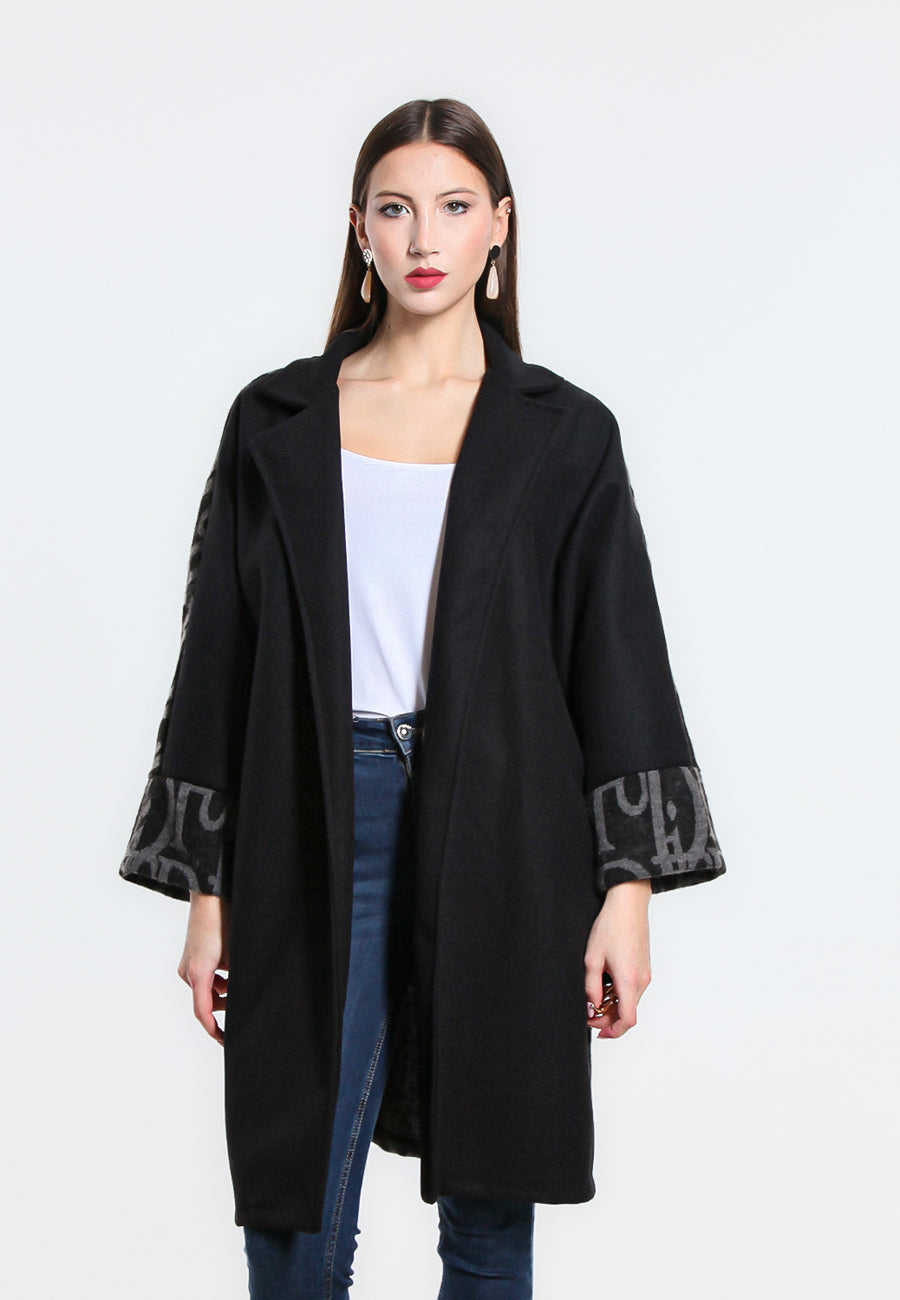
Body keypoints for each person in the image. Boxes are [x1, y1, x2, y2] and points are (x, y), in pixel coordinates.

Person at [119, 97, 726, 1299]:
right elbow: (217, 659)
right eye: (395, 209)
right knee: (295, 1216)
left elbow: (614, 655)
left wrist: (628, 890)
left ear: (500, 223)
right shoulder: (278, 422)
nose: (424, 236)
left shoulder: (565, 435)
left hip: (508, 818)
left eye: (453, 206)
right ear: (359, 229)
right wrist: (206, 891)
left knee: (492, 1207)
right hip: (311, 805)